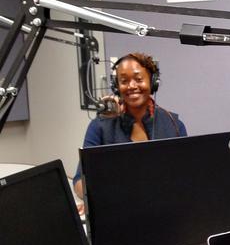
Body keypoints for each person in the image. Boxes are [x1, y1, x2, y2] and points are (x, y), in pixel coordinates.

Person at [73, 52, 187, 199]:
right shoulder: (100, 126)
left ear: (153, 82)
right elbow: (79, 182)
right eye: (124, 81)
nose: (131, 86)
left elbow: (185, 176)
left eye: (139, 79)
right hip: (117, 209)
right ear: (116, 86)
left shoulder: (174, 124)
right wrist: (91, 199)